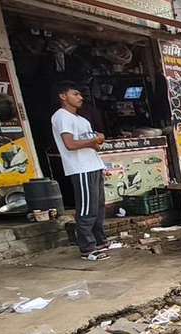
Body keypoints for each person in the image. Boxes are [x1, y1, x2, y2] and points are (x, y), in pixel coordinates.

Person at [51, 81, 108, 261]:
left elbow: (92, 145)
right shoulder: (61, 117)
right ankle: (87, 248)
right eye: (75, 94)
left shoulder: (81, 119)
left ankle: (100, 242)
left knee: (98, 208)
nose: (80, 97)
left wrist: (97, 140)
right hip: (81, 168)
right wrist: (93, 142)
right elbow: (70, 144)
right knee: (86, 210)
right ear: (63, 96)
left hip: (94, 165)